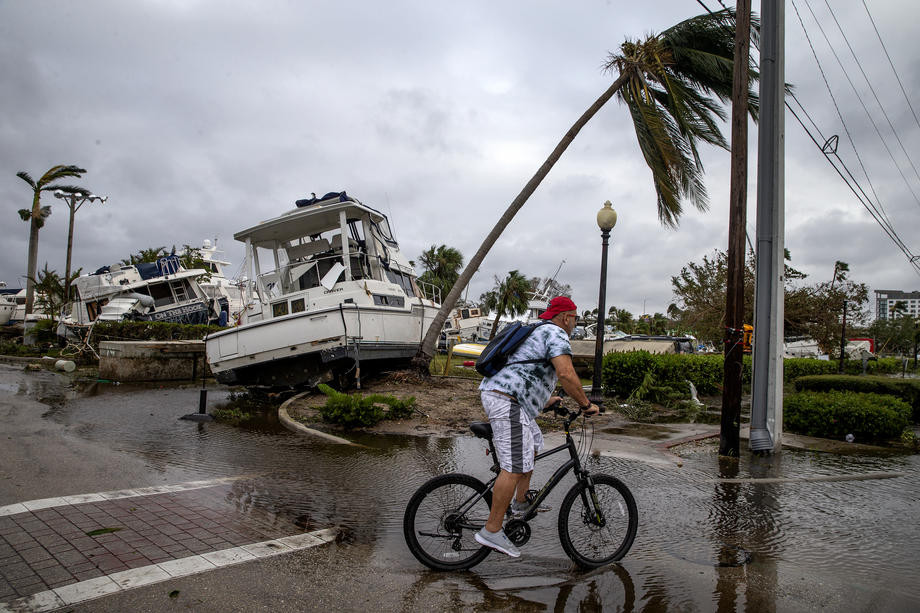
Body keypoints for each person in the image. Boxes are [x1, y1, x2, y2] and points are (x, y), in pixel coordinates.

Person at [475, 296, 599, 558]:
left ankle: (520, 504)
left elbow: (525, 372)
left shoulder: (539, 329)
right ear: (566, 317)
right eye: (576, 319)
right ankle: (492, 529)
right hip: (504, 399)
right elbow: (565, 373)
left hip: (509, 398)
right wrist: (586, 404)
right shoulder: (555, 333)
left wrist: (545, 401)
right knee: (515, 464)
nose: (575, 324)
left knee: (532, 444)